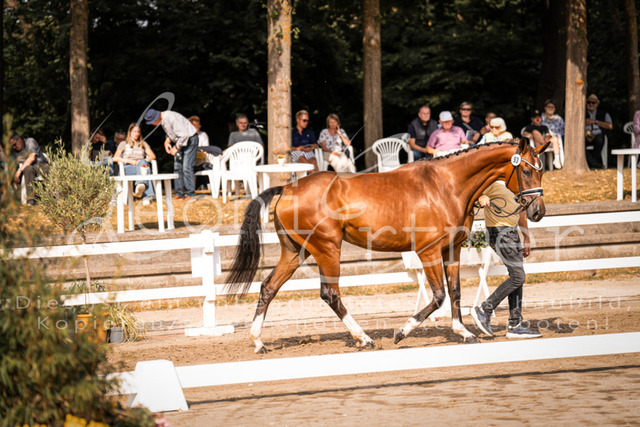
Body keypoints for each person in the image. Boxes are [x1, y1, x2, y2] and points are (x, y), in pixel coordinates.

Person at [471, 180, 542, 339]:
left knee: (517, 276)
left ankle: (515, 324)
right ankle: (484, 309)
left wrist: (526, 236)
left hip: (512, 232)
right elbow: (473, 191)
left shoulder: (516, 184)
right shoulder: (493, 180)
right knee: (518, 277)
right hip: (499, 232)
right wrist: (481, 197)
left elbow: (521, 212)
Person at [144, 108, 199, 200]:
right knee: (178, 167)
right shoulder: (162, 119)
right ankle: (179, 193)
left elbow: (184, 135)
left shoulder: (171, 117)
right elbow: (171, 131)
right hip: (180, 141)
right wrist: (167, 141)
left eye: (152, 122)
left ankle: (190, 194)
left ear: (156, 118)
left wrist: (176, 148)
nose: (152, 124)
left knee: (187, 167)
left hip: (190, 139)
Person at [113, 123, 156, 199]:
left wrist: (143, 161)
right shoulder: (123, 143)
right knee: (147, 170)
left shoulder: (143, 143)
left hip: (141, 166)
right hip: (128, 167)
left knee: (144, 166)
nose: (137, 134)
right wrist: (130, 161)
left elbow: (152, 156)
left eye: (138, 132)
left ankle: (140, 184)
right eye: (135, 132)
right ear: (130, 132)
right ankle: (147, 196)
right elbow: (115, 158)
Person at [9, 132, 50, 206]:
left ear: (19, 139)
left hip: (40, 164)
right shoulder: (13, 152)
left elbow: (32, 158)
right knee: (28, 169)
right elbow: (11, 166)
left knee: (46, 169)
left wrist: (19, 171)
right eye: (12, 146)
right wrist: (15, 179)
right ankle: (30, 200)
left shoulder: (30, 141)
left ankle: (51, 196)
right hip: (27, 168)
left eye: (14, 144)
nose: (14, 147)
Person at [585, 94, 612, 169]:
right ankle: (595, 164)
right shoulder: (582, 113)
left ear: (597, 104)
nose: (591, 104)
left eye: (593, 102)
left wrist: (595, 122)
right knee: (579, 144)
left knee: (600, 140)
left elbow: (610, 126)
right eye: (589, 102)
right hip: (585, 135)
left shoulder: (603, 114)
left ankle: (592, 163)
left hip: (598, 135)